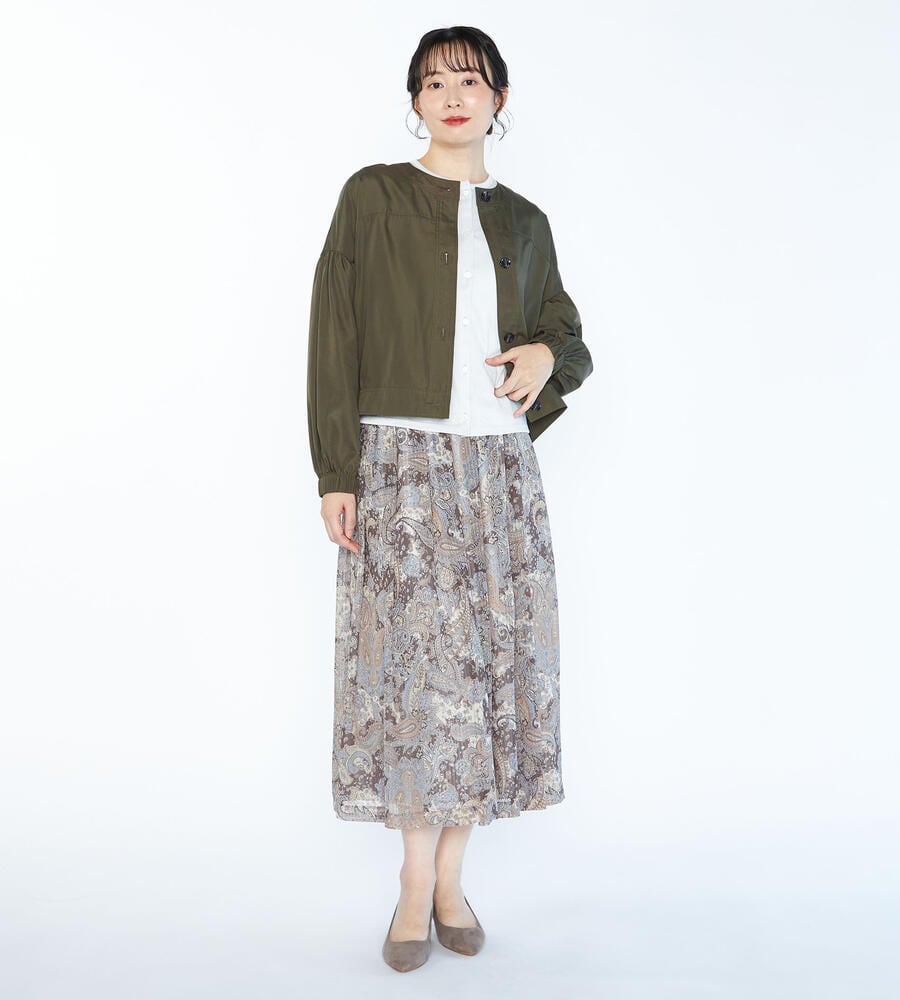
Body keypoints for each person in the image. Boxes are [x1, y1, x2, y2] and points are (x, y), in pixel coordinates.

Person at [306, 26, 593, 972]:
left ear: (499, 98)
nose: (454, 95)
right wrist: (336, 470)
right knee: (416, 683)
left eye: (471, 79)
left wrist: (546, 353)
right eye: (435, 83)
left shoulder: (525, 222)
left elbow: (568, 336)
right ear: (416, 102)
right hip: (402, 465)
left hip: (498, 473)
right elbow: (334, 331)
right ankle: (411, 881)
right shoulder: (373, 197)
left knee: (484, 677)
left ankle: (450, 883)